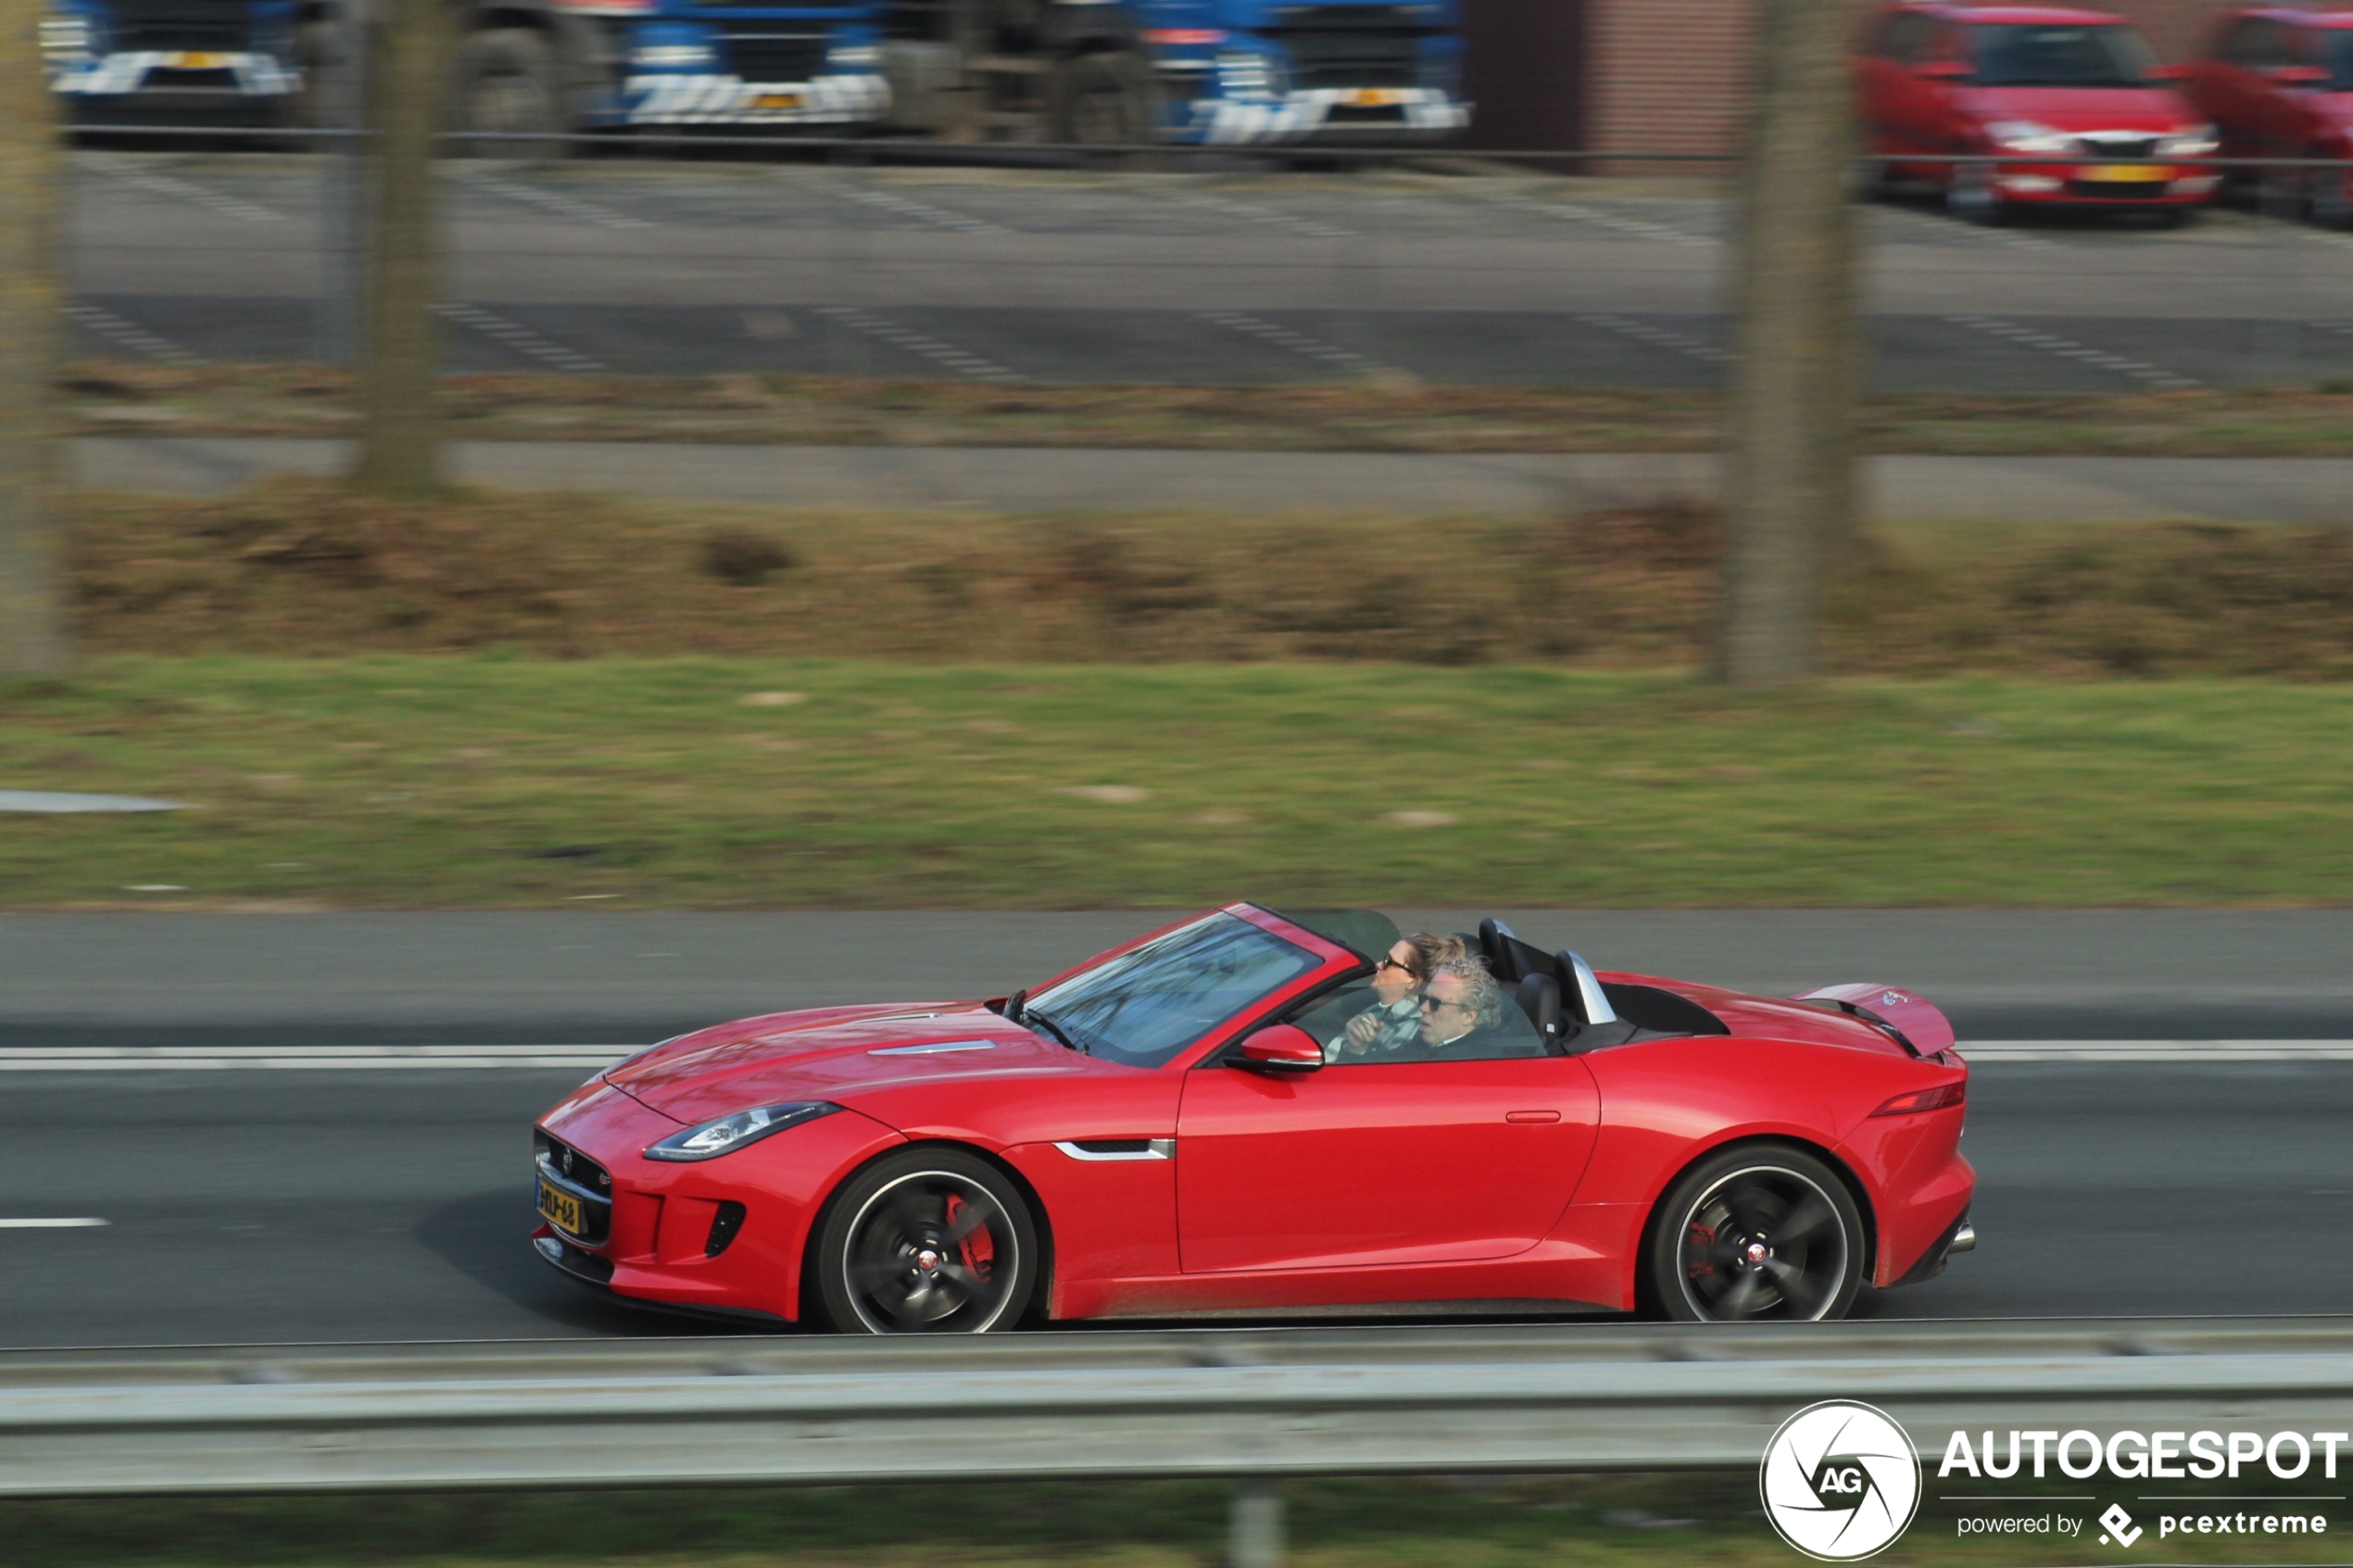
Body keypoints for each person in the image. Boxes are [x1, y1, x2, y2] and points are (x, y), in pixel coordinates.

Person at [1328, 932, 1468, 1060]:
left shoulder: (1413, 1028)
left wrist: (1356, 1049)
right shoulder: (1376, 1010)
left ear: (1413, 981)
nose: (1378, 965)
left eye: (1390, 962)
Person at [1415, 957, 1513, 1058]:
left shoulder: (1463, 1061)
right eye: (1424, 998)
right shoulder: (1426, 1034)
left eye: (1435, 1003)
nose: (1423, 1008)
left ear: (1468, 1016)